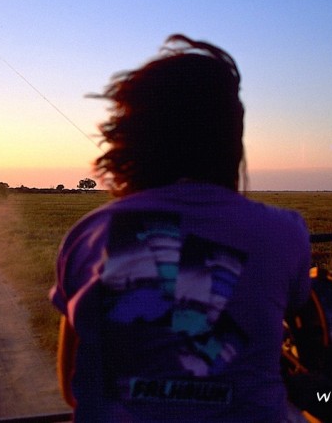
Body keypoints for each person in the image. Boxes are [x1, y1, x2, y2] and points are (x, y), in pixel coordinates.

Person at [50, 34, 311, 422]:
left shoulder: (90, 233)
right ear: (232, 143)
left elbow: (71, 387)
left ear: (133, 142)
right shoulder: (287, 232)